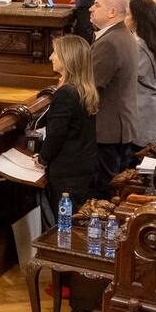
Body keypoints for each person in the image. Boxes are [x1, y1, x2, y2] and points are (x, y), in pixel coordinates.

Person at [38, 35, 98, 209]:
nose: (51, 57)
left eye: (55, 53)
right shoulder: (83, 89)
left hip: (67, 173)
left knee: (65, 220)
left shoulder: (66, 93)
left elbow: (56, 134)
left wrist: (43, 158)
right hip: (82, 167)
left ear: (67, 58)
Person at [89, 0, 137, 188]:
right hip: (120, 127)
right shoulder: (123, 35)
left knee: (104, 190)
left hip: (107, 131)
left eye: (97, 5)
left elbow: (90, 87)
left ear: (112, 12)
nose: (91, 9)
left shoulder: (109, 42)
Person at [128, 0, 156, 148]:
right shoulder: (153, 40)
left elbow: (129, 76)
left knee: (139, 155)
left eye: (127, 14)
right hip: (151, 105)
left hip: (142, 108)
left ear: (136, 19)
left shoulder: (137, 45)